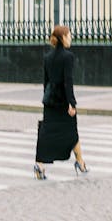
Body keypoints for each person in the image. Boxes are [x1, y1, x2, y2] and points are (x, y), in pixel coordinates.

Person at [34, 25, 88, 180]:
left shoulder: (47, 57)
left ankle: (40, 164)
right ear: (63, 37)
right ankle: (80, 162)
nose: (71, 38)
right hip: (63, 101)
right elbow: (68, 81)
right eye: (69, 35)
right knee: (71, 131)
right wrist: (72, 103)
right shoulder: (68, 57)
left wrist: (47, 99)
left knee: (46, 133)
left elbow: (46, 82)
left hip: (50, 100)